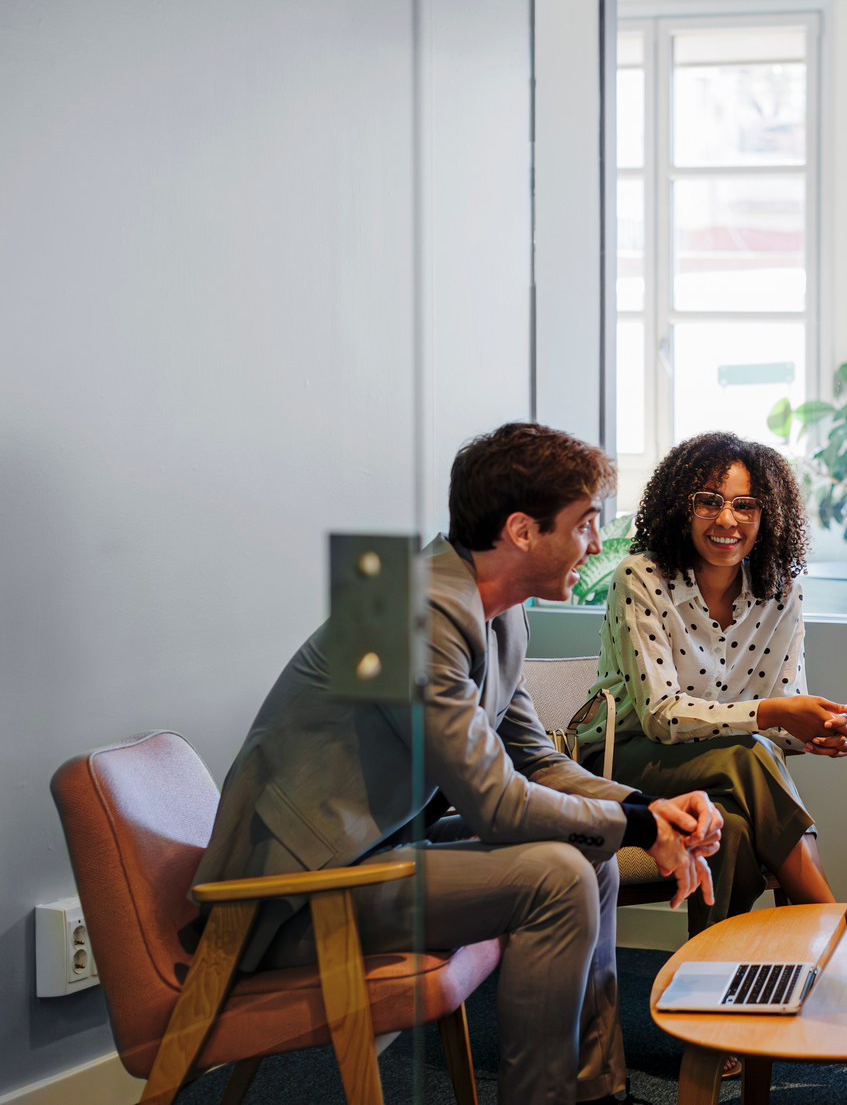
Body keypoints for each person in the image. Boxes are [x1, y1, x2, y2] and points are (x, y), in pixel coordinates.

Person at [193, 423, 724, 1105]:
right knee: (558, 872)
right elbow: (497, 804)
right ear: (522, 531)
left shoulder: (497, 611)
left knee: (583, 854)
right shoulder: (404, 607)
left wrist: (648, 809)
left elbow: (534, 758)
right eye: (587, 523)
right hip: (298, 895)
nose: (597, 543)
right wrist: (642, 829)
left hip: (382, 850)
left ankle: (595, 1092)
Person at [576, 431, 847, 940]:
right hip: (621, 762)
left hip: (724, 772)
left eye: (745, 505)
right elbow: (661, 716)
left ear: (767, 515)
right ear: (678, 509)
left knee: (730, 825)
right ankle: (831, 923)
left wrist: (809, 733)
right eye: (708, 501)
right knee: (746, 753)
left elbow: (776, 718)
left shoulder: (781, 593)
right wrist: (775, 716)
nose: (727, 520)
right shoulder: (639, 577)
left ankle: (715, 989)